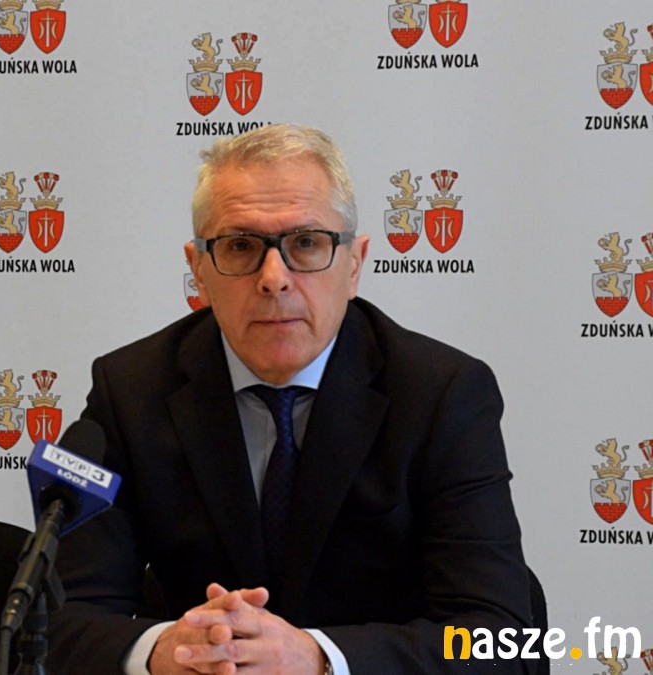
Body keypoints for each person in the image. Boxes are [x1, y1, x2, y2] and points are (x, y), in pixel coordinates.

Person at [47, 125, 533, 674]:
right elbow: (58, 621)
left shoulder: (441, 395)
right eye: (240, 246)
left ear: (354, 264)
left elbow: (501, 638)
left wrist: (321, 660)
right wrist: (163, 652)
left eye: (305, 244)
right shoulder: (131, 391)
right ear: (199, 270)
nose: (274, 279)